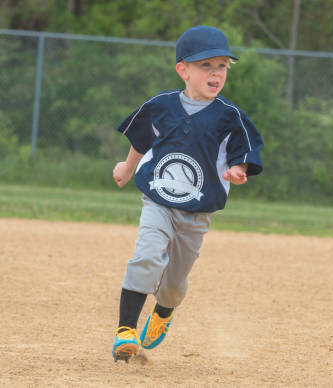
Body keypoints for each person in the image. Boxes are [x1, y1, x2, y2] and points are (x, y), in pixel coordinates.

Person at [110, 26, 263, 363]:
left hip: (197, 211)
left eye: (221, 65)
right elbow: (140, 139)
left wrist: (240, 171)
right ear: (184, 70)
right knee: (146, 256)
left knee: (174, 283)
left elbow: (244, 153)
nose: (215, 73)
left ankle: (164, 311)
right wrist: (127, 165)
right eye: (206, 65)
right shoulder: (161, 105)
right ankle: (125, 330)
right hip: (158, 199)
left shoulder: (229, 116)